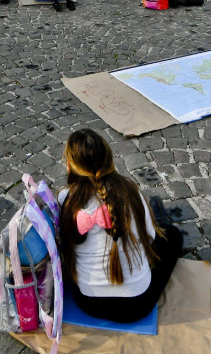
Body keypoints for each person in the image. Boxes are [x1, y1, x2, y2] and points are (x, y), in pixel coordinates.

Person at [58, 128, 183, 323]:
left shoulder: (65, 199)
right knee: (173, 236)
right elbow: (151, 238)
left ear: (69, 166)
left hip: (88, 302)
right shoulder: (130, 191)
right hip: (136, 305)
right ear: (108, 158)